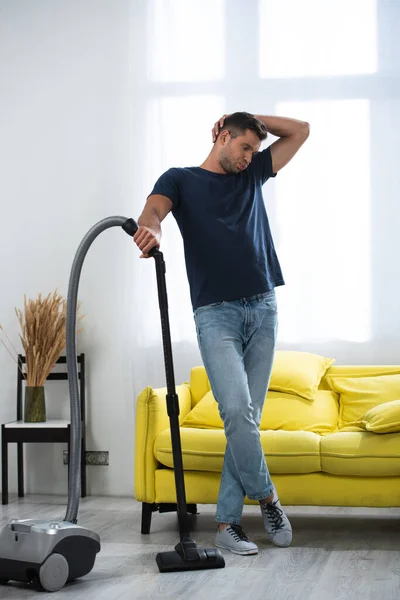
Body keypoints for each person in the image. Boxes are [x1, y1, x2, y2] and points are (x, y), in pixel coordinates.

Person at [134, 112, 310, 555]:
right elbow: (154, 208)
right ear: (223, 138)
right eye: (245, 147)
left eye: (255, 149)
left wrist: (247, 109)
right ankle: (268, 497)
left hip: (263, 307)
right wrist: (151, 228)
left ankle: (228, 523)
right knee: (236, 411)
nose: (250, 157)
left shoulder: (252, 174)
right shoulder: (181, 179)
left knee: (245, 420)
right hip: (216, 315)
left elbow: (301, 130)